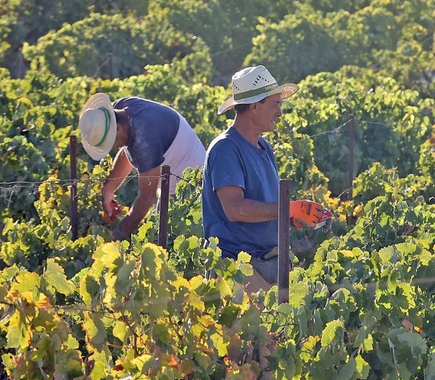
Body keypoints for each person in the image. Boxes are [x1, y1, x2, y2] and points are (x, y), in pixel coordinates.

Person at [201, 66, 330, 293]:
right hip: (236, 271)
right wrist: (287, 209)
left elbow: (266, 206)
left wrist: (294, 218)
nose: (279, 112)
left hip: (267, 265)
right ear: (253, 106)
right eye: (275, 104)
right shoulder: (226, 148)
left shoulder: (264, 147)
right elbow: (235, 209)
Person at [79, 92, 207, 241]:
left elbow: (147, 198)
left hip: (190, 188)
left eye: (109, 143)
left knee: (163, 241)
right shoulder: (122, 109)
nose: (111, 148)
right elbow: (127, 151)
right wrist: (109, 189)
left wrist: (119, 235)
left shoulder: (146, 141)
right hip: (172, 179)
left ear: (118, 129)